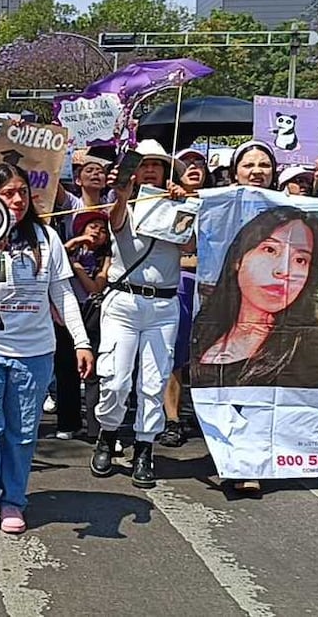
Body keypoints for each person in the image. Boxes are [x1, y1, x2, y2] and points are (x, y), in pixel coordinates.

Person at [0, 163, 94, 535]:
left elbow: (62, 294)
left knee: (22, 432)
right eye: (7, 193)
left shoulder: (45, 238)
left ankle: (13, 500)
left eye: (22, 192)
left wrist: (81, 341)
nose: (16, 200)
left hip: (33, 352)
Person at [91, 140, 192, 489]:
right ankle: (107, 434)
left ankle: (145, 446)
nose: (151, 169)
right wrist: (123, 191)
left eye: (157, 165)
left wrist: (185, 202)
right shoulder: (124, 205)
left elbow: (190, 245)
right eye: (145, 164)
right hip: (123, 302)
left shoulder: (181, 205)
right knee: (116, 379)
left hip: (163, 305)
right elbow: (115, 221)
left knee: (154, 382)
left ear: (166, 173)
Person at [192, 207, 318, 389]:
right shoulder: (202, 325)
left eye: (300, 260)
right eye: (270, 250)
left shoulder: (314, 347)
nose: (283, 271)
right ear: (238, 259)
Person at [160, 148, 210, 448]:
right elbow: (178, 251)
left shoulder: (220, 203)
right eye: (187, 164)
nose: (193, 168)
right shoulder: (164, 203)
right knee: (174, 355)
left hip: (212, 290)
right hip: (179, 288)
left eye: (198, 163)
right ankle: (172, 419)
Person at [53, 210, 110, 441]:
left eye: (102, 229)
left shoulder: (106, 257)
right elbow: (56, 258)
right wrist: (75, 244)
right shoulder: (68, 251)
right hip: (64, 312)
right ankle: (68, 422)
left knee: (92, 370)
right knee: (65, 368)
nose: (97, 232)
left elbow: (95, 287)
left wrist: (76, 268)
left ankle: (96, 427)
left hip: (93, 312)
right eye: (92, 227)